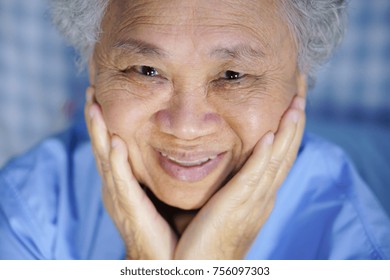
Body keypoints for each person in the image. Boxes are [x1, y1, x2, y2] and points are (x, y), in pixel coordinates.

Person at [0, 0, 389, 260]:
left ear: (299, 83)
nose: (185, 126)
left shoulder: (362, 249)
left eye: (233, 76)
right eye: (146, 70)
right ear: (95, 69)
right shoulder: (26, 210)